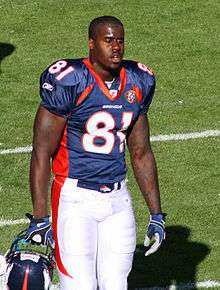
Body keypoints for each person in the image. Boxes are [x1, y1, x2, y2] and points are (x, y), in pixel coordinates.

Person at [22, 16, 166, 290]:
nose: (116, 47)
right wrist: (41, 218)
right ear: (91, 44)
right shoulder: (70, 80)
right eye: (108, 40)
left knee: (116, 285)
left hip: (118, 200)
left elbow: (141, 152)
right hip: (74, 200)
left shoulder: (138, 80)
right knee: (79, 286)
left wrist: (156, 213)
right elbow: (41, 152)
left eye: (120, 41)